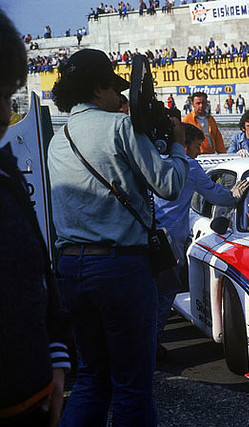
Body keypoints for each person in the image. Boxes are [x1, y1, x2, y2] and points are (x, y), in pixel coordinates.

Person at [47, 48, 189, 426]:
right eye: (115, 88)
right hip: (121, 268)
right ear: (98, 89)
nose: (121, 98)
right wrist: (176, 143)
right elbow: (170, 184)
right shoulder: (119, 127)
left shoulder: (58, 140)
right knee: (132, 385)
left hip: (72, 269)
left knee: (93, 379)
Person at [0, 10, 71, 426]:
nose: (3, 115)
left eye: (9, 98)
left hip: (35, 397)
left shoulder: (6, 171)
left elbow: (39, 271)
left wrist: (57, 355)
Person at [155, 124, 248, 358]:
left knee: (149, 292)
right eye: (197, 146)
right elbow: (216, 195)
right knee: (166, 291)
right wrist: (233, 196)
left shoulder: (156, 161)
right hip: (171, 239)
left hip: (149, 235)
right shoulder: (189, 165)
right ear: (184, 146)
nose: (199, 151)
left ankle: (146, 340)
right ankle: (152, 343)